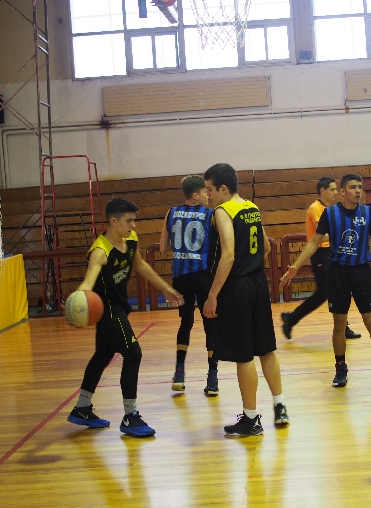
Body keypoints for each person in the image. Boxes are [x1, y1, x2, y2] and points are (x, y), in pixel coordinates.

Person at [67, 198, 184, 437]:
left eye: (134, 220)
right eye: (129, 221)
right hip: (108, 311)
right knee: (133, 353)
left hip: (119, 307)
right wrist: (74, 308)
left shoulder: (130, 240)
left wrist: (164, 288)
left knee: (102, 355)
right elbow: (88, 284)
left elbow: (139, 266)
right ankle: (131, 416)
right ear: (114, 221)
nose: (133, 225)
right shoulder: (100, 251)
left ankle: (82, 408)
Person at [280, 174, 371, 389]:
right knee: (339, 324)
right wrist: (295, 266)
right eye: (353, 187)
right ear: (343, 191)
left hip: (361, 273)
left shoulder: (367, 213)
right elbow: (313, 243)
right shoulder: (329, 213)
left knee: (370, 321)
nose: (358, 191)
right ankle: (341, 368)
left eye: (360, 187)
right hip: (338, 273)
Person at [202, 163, 289, 436]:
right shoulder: (251, 207)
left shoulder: (222, 211)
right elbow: (266, 247)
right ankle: (280, 405)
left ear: (223, 188)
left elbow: (227, 255)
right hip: (258, 283)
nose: (208, 196)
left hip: (237, 286)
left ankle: (251, 419)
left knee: (244, 355)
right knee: (266, 349)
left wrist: (213, 295)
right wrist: (251, 264)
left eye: (210, 190)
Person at [280, 177, 361, 340]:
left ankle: (343, 327)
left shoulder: (329, 209)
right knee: (325, 292)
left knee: (337, 290)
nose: (335, 192)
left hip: (330, 252)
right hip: (321, 254)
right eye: (332, 189)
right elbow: (321, 235)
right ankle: (292, 318)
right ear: (322, 190)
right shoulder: (316, 208)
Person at [160, 176, 218, 396]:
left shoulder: (171, 213)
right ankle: (212, 377)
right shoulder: (210, 215)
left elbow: (163, 247)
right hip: (203, 275)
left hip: (181, 276)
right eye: (205, 192)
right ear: (195, 195)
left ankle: (179, 373)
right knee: (210, 323)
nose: (208, 196)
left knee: (185, 323)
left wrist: (180, 244)